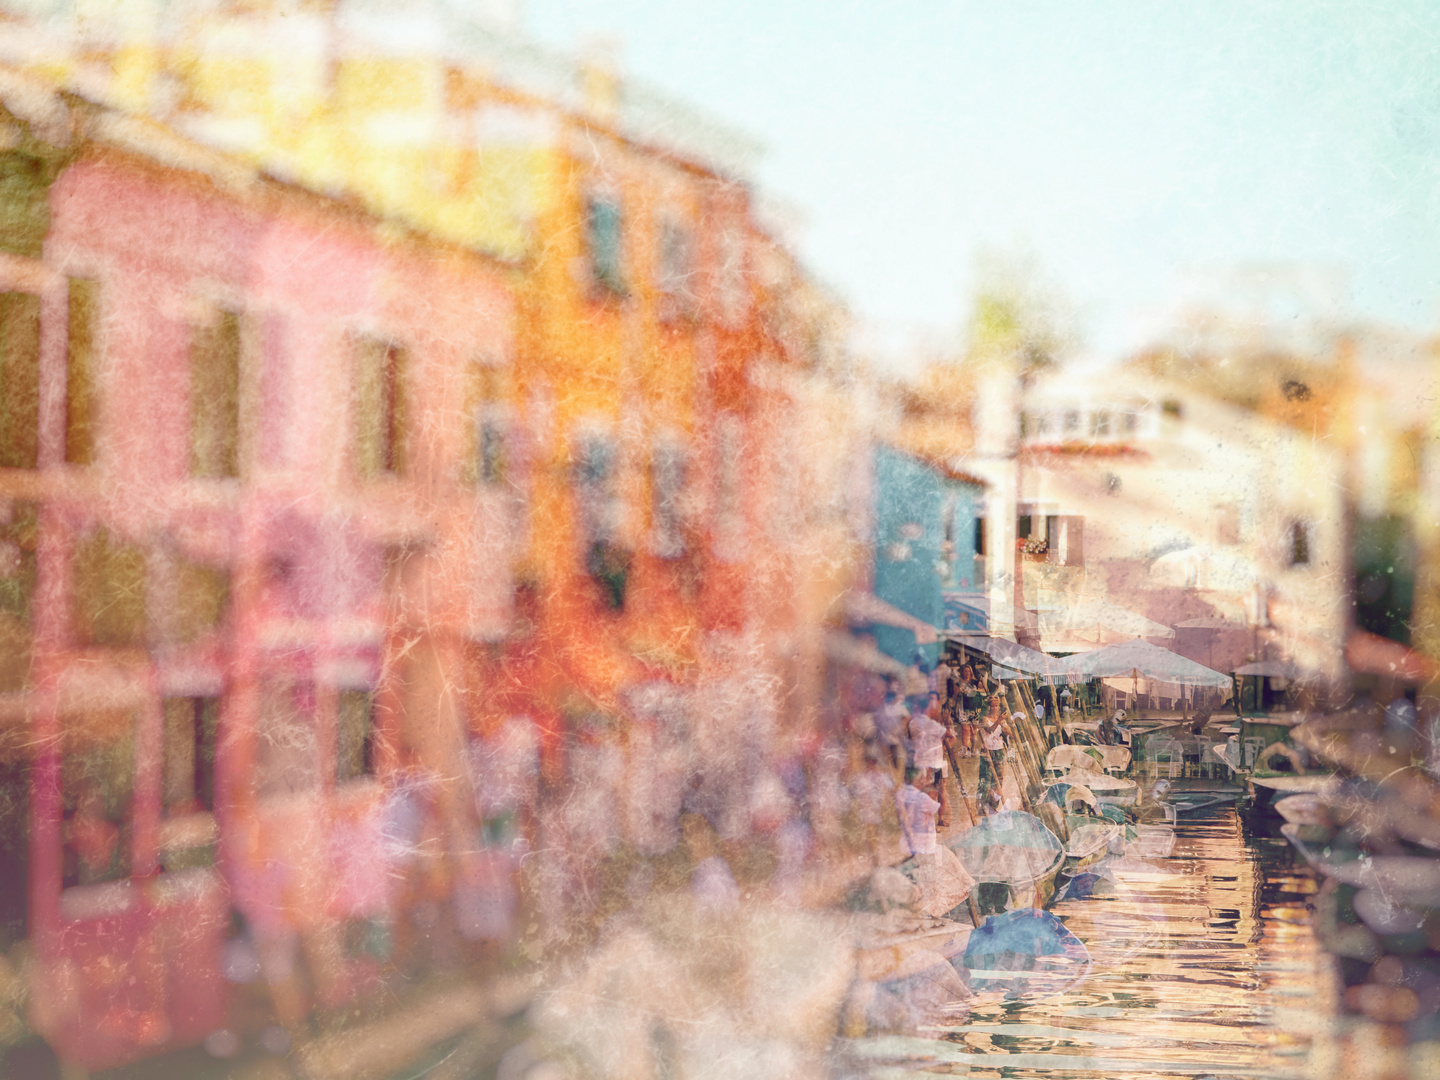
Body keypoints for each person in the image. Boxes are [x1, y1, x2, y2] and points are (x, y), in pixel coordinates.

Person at [906, 698, 952, 827]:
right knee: (932, 793)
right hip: (932, 763)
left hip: (923, 762)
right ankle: (930, 822)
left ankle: (926, 821)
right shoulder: (931, 724)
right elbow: (951, 735)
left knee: (929, 792)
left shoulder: (913, 723)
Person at [894, 767, 940, 857]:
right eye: (923, 777)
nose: (924, 780)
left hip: (906, 844)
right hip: (923, 845)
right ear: (918, 779)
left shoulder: (900, 793)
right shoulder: (923, 797)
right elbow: (929, 818)